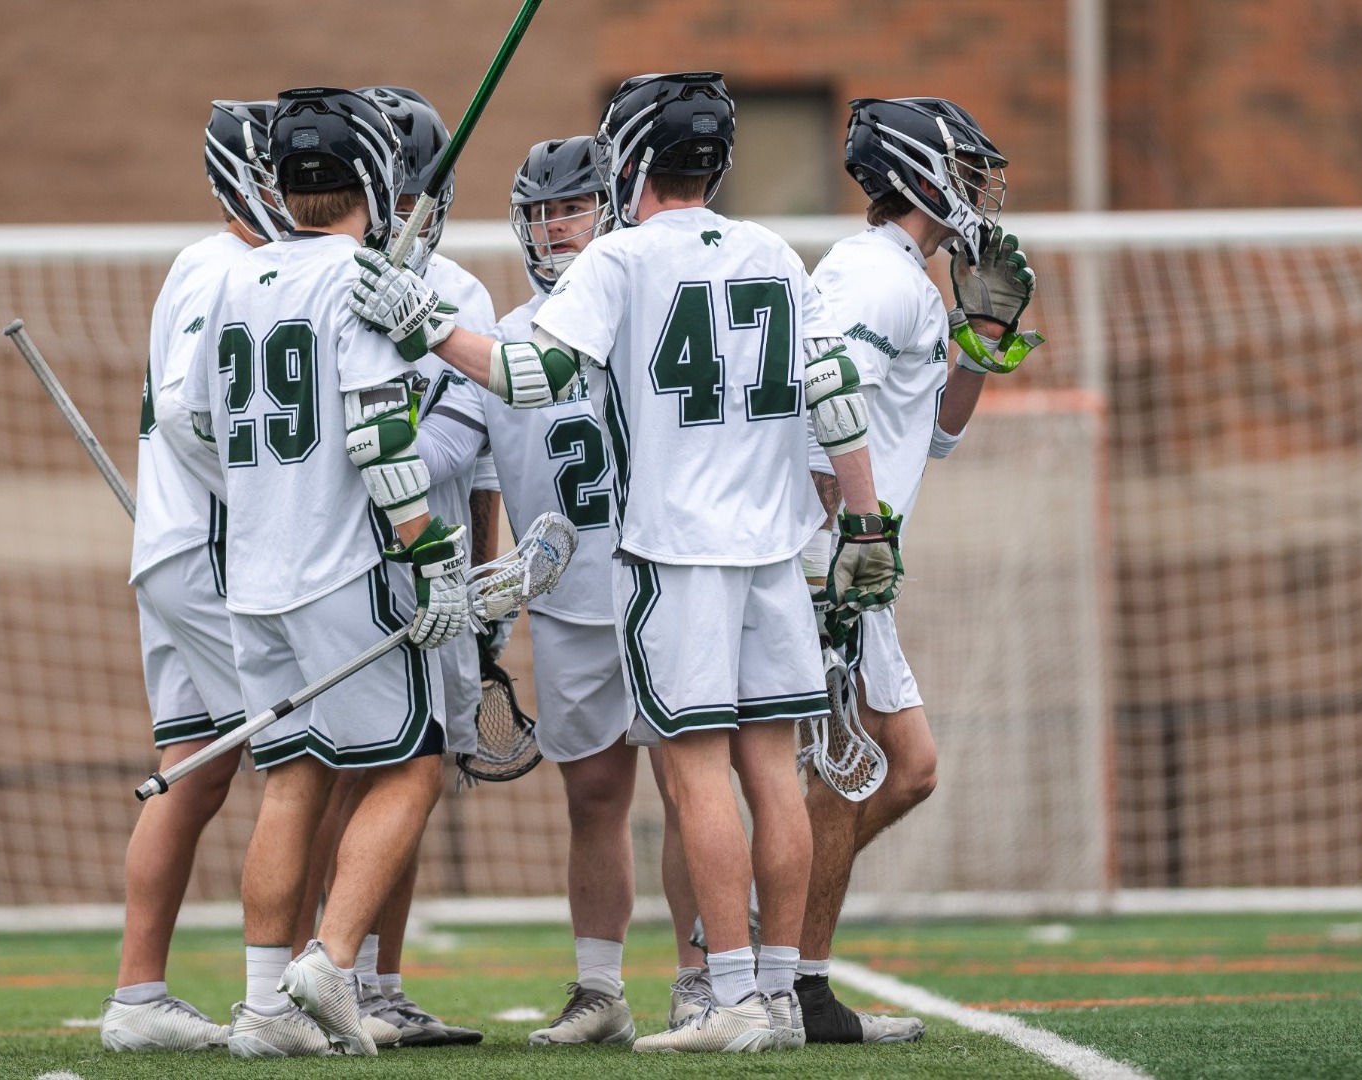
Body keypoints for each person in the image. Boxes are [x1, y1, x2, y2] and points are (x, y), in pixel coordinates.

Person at [346, 71, 905, 1053]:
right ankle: (773, 994)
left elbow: (528, 372)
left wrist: (423, 324)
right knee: (768, 778)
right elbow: (836, 386)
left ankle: (726, 992)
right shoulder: (774, 248)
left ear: (631, 163)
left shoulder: (623, 261)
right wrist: (866, 530)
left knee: (696, 784)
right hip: (772, 555)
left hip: (675, 557)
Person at [162, 85, 471, 1058]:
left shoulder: (230, 282)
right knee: (415, 766)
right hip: (344, 571)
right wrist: (432, 556)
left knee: (289, 780)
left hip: (252, 578)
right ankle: (329, 962)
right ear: (373, 179)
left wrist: (264, 496)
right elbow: (385, 442)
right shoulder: (361, 282)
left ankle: (261, 1012)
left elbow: (196, 425)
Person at [797, 96, 1042, 1045]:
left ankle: (775, 944)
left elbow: (935, 433)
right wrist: (848, 529)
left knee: (895, 771)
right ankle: (784, 967)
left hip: (854, 554)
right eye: (969, 168)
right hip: (834, 555)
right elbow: (824, 396)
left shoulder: (903, 276)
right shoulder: (872, 276)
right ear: (922, 170)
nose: (984, 187)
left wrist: (979, 339)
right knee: (863, 772)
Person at [410, 135, 643, 1045]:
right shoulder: (498, 335)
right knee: (593, 798)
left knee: (699, 780)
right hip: (566, 597)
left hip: (667, 583)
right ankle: (600, 989)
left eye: (574, 206)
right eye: (543, 210)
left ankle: (715, 981)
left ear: (611, 208)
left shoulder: (643, 315)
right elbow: (469, 471)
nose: (556, 225)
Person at [294, 84, 494, 1050]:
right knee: (362, 776)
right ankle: (324, 969)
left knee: (402, 773)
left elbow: (469, 454)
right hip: (362, 570)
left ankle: (375, 982)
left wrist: (484, 607)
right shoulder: (318, 281)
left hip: (424, 572)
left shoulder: (455, 291)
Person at [100, 99, 291, 1053]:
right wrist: (265, 495)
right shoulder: (223, 266)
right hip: (215, 548)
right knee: (313, 753)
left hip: (177, 547)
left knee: (190, 773)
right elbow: (184, 410)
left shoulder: (215, 266)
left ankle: (139, 997)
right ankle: (293, 992)